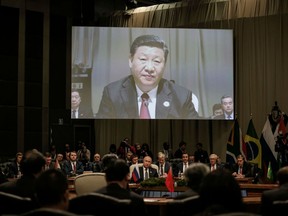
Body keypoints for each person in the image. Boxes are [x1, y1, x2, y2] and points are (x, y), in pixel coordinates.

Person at [96, 34, 199, 119]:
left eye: (156, 61)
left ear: (165, 65)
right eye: (143, 59)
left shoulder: (182, 96)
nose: (149, 68)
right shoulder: (112, 93)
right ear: (130, 61)